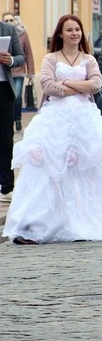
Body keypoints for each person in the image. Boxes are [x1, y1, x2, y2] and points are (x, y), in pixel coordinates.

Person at [2, 14, 102, 244]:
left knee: (83, 169)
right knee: (47, 169)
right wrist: (80, 87)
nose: (74, 34)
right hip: (55, 118)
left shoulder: (89, 59)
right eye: (69, 30)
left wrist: (68, 84)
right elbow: (48, 86)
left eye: (77, 30)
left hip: (83, 119)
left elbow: (96, 84)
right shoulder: (51, 58)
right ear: (61, 33)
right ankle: (37, 225)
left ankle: (80, 222)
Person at [0, 12, 26, 202]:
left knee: (5, 138)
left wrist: (10, 60)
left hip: (3, 89)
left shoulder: (8, 30)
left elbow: (21, 57)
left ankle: (7, 186)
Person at [8, 14, 34, 132]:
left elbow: (28, 53)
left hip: (19, 72)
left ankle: (17, 119)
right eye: (6, 20)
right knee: (7, 97)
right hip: (5, 73)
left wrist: (31, 73)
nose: (9, 22)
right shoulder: (2, 33)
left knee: (17, 96)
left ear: (15, 21)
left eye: (11, 20)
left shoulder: (22, 34)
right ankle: (9, 119)